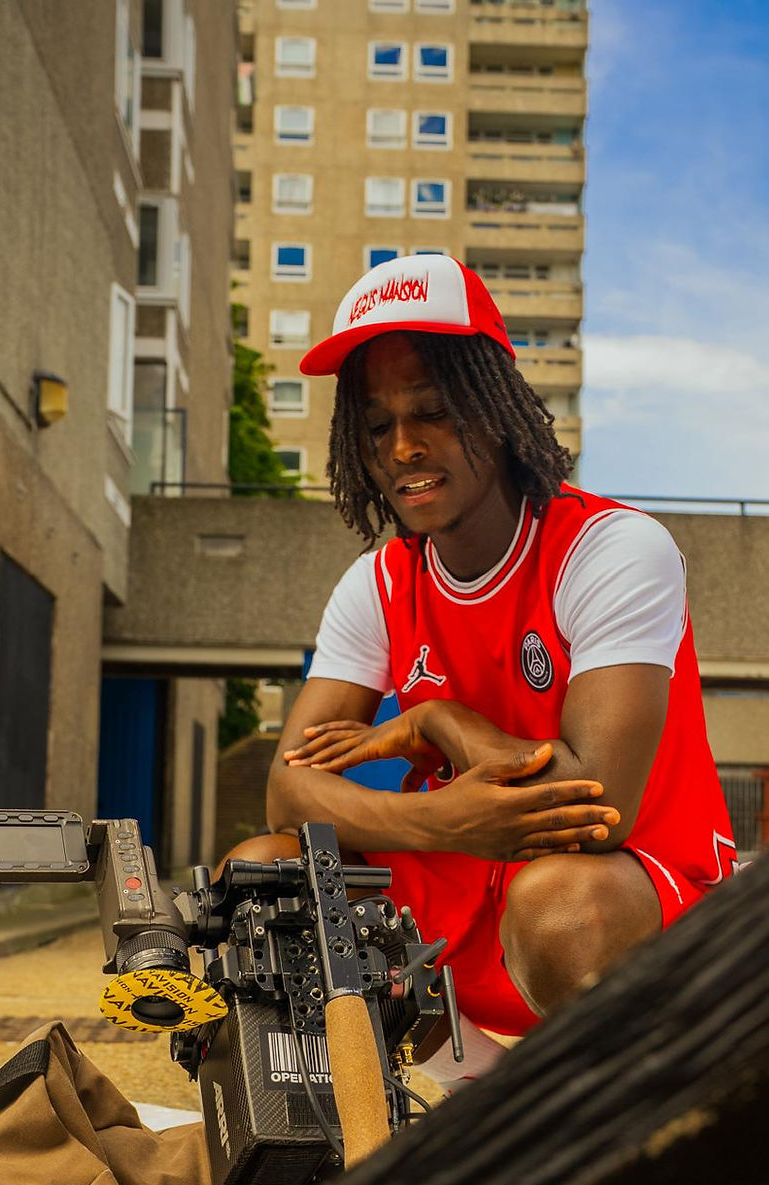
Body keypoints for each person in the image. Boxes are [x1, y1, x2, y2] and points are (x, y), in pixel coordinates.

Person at [231, 254, 737, 1087]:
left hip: (636, 899)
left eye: (431, 411)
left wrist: (440, 721)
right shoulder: (380, 582)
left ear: (498, 409)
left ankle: (627, 1130)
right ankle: (407, 1115)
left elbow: (594, 809)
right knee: (268, 878)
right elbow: (292, 790)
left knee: (559, 907)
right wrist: (445, 825)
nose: (402, 446)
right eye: (374, 425)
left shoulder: (609, 548)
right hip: (467, 904)